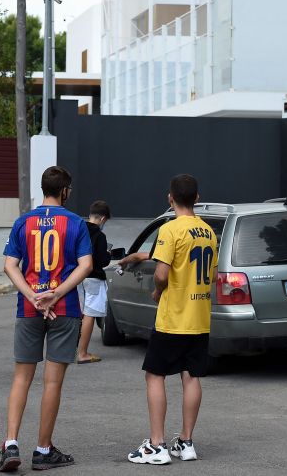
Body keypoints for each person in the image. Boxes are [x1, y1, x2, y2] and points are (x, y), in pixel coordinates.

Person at [0, 166, 93, 472]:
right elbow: (86, 265)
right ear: (65, 191)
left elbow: (10, 265)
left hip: (28, 308)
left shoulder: (23, 221)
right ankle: (42, 449)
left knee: (21, 377)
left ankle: (10, 443)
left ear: (43, 189)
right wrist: (55, 293)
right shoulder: (77, 223)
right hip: (63, 308)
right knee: (52, 381)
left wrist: (32, 296)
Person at [127, 174, 217, 465]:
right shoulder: (209, 231)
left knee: (155, 375)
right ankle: (187, 442)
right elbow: (212, 276)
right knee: (191, 376)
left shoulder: (170, 229)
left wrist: (157, 290)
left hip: (173, 317)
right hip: (199, 317)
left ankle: (157, 445)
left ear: (170, 198)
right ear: (197, 198)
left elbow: (162, 273)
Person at [76, 200, 112, 364]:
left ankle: (72, 349)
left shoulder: (78, 230)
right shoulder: (99, 235)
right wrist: (108, 253)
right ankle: (82, 353)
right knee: (90, 315)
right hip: (93, 278)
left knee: (79, 314)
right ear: (103, 218)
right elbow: (103, 261)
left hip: (77, 277)